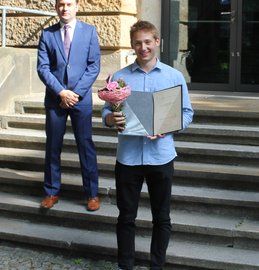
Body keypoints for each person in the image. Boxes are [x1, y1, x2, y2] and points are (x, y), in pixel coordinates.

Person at [102, 21, 193, 270]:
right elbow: (106, 111)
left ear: (157, 42)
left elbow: (186, 113)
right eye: (138, 43)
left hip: (161, 157)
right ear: (133, 45)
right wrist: (110, 119)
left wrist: (168, 126)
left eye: (148, 42)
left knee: (161, 217)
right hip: (128, 158)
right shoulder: (119, 78)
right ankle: (125, 266)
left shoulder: (174, 77)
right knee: (126, 217)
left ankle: (157, 266)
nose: (144, 47)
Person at [37, 0, 101, 211]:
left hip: (80, 99)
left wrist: (75, 93)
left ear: (77, 6)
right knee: (53, 146)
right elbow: (43, 68)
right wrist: (61, 92)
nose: (65, 8)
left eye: (69, 4)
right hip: (56, 98)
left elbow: (93, 66)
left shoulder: (90, 32)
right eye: (61, 4)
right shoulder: (47, 34)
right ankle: (51, 192)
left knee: (85, 146)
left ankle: (92, 194)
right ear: (56, 7)